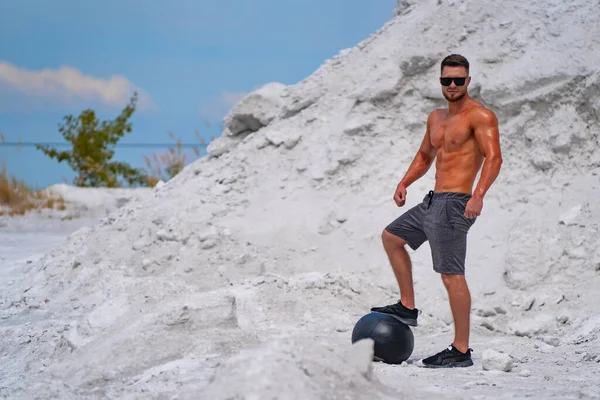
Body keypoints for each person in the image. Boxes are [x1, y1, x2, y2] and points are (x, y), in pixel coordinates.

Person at [370, 54, 503, 368]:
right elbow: (424, 155)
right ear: (440, 81)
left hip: (456, 204)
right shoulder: (436, 118)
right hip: (432, 201)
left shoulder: (480, 116)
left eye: (459, 79)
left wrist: (479, 196)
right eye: (447, 80)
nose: (453, 85)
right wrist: (404, 181)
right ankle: (407, 306)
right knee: (391, 237)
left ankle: (460, 351)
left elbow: (494, 158)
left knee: (451, 275)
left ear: (468, 81)